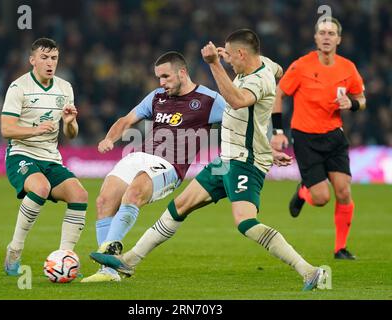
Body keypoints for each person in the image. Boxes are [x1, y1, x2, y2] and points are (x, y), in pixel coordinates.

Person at [90, 29, 329, 291]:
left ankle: (308, 271)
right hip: (225, 159)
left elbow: (237, 101)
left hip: (245, 162)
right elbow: (279, 70)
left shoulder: (257, 82)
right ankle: (130, 260)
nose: (227, 61)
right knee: (178, 207)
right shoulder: (264, 66)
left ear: (242, 54)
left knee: (245, 223)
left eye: (230, 56)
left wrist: (214, 64)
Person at [81, 51, 227, 282]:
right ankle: (108, 272)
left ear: (182, 72)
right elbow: (126, 120)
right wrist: (110, 138)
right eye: (159, 77)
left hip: (169, 165)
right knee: (104, 200)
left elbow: (241, 119)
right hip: (141, 156)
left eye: (166, 77)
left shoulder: (210, 100)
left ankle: (110, 248)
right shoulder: (157, 96)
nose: (161, 83)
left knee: (134, 192)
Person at [270, 18, 366, 260]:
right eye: (322, 32)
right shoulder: (301, 66)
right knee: (321, 198)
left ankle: (340, 249)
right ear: (315, 38)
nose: (326, 36)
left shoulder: (348, 68)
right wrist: (278, 132)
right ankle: (304, 191)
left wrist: (352, 104)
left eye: (331, 33)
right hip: (305, 138)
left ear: (338, 39)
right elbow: (279, 94)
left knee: (343, 192)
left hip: (334, 136)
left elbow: (362, 99)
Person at [1, 38, 88, 276]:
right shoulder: (18, 88)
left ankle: (65, 258)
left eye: (54, 58)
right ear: (32, 60)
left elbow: (71, 134)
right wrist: (34, 130)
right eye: (44, 57)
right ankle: (15, 249)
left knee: (79, 194)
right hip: (21, 154)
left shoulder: (65, 88)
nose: (50, 63)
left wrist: (70, 123)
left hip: (51, 158)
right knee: (40, 187)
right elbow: (6, 129)